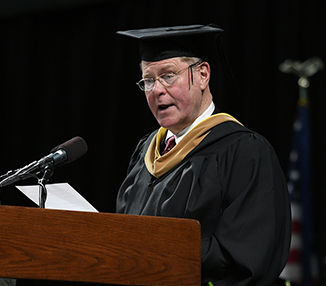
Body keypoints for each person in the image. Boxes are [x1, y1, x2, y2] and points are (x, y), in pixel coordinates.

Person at [116, 24, 291, 286]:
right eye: (148, 80)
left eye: (168, 76)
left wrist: (155, 254)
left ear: (202, 75)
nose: (156, 90)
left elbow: (248, 261)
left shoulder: (244, 152)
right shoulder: (146, 151)